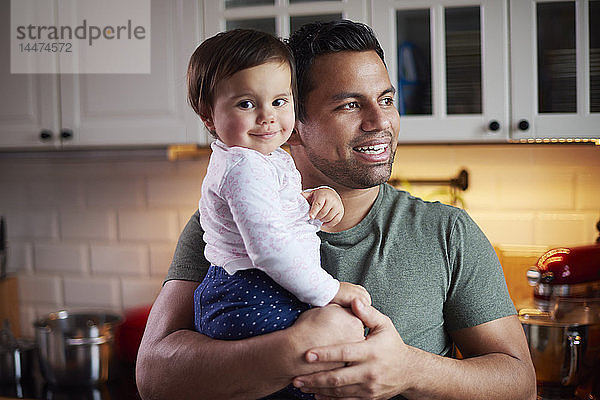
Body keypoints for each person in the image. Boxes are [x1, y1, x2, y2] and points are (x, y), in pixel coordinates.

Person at [136, 20, 536, 400]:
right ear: (290, 122)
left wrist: (410, 370)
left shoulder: (447, 231)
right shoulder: (222, 225)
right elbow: (154, 377)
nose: (381, 121)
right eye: (349, 105)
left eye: (386, 100)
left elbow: (521, 385)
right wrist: (293, 350)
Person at [186, 29, 369, 399]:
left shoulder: (265, 160)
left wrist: (313, 198)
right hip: (248, 292)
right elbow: (269, 249)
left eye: (280, 101)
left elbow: (272, 209)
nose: (268, 117)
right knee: (322, 355)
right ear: (209, 117)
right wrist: (331, 291)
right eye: (246, 104)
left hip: (256, 289)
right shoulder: (244, 167)